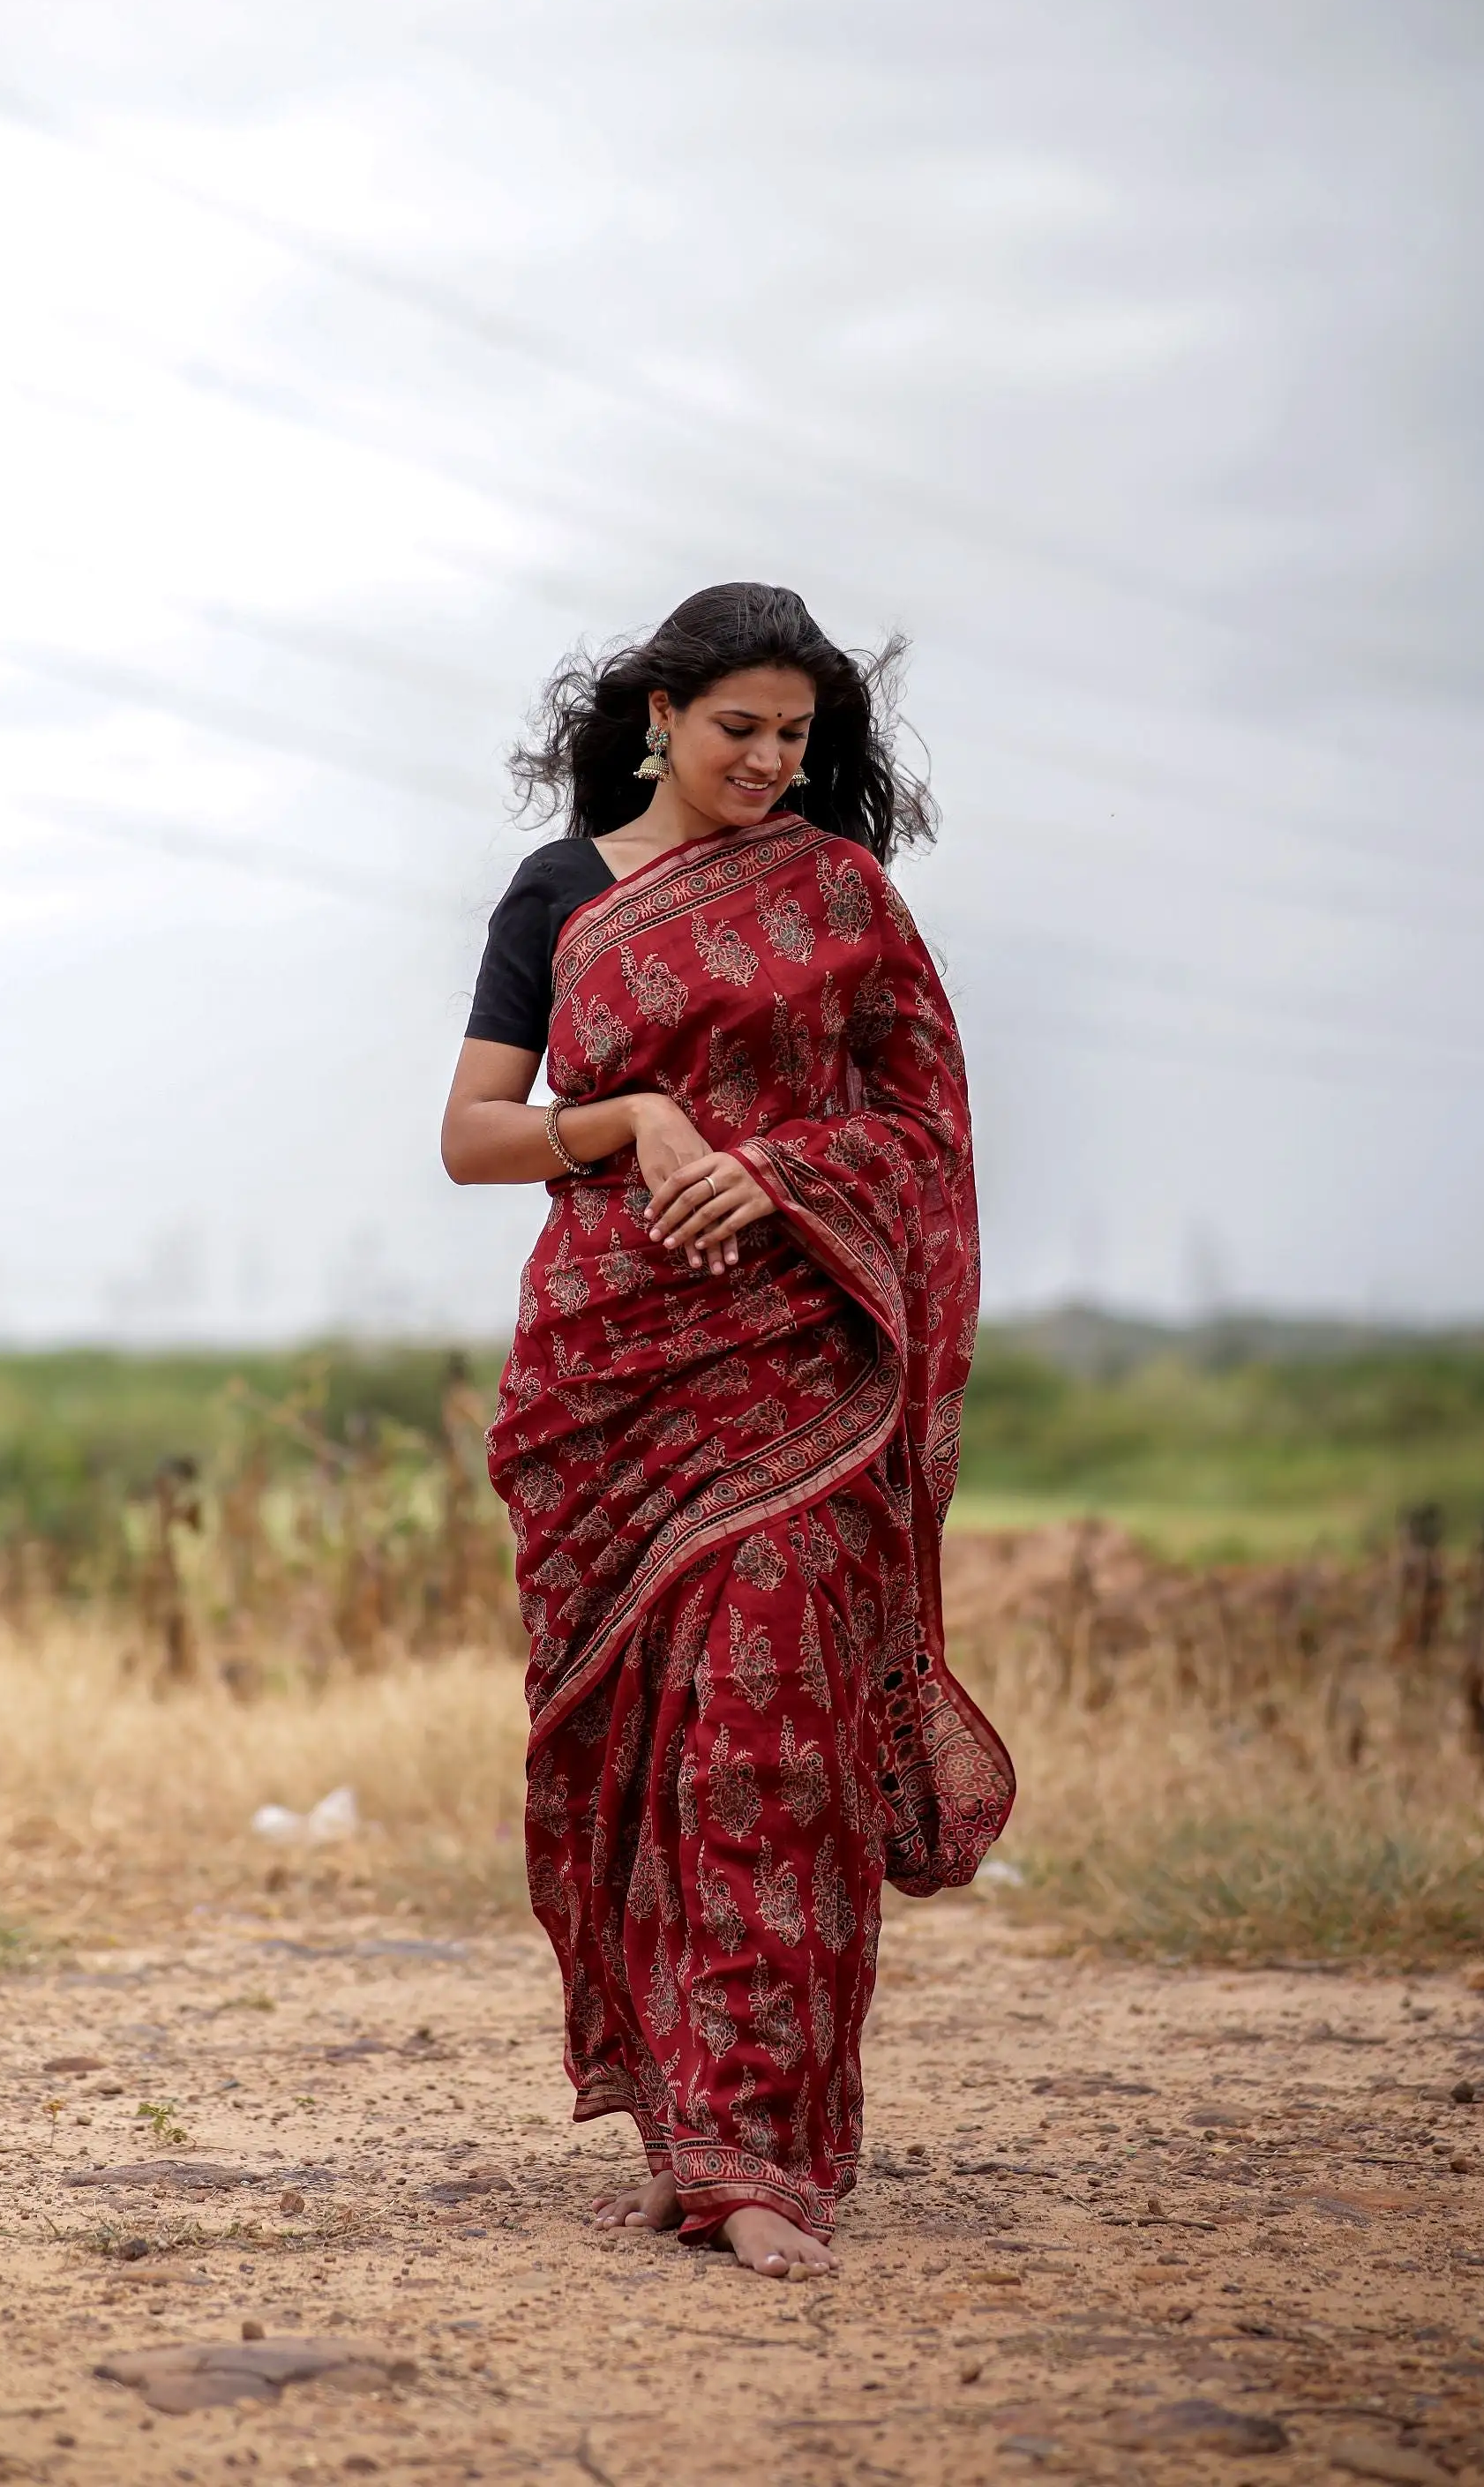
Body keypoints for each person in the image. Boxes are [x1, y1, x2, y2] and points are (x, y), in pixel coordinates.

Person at [441, 581, 1014, 2279]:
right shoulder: (556, 893)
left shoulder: (846, 901)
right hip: (612, 1379)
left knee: (767, 1747)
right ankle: (683, 2108)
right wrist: (631, 1118)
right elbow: (473, 1136)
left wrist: (779, 1169)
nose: (769, 763)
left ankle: (760, 2151)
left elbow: (926, 1135)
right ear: (657, 720)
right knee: (638, 1759)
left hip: (806, 1374)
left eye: (798, 737)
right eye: (738, 730)